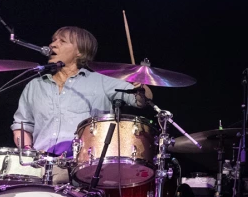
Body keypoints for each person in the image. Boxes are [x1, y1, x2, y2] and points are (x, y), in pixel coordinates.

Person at [12, 26, 152, 158]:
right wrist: (28, 151)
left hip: (85, 165)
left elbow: (141, 101)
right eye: (53, 40)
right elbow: (22, 125)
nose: (52, 45)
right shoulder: (35, 85)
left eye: (62, 41)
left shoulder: (102, 81)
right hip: (42, 165)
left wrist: (141, 85)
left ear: (79, 51)